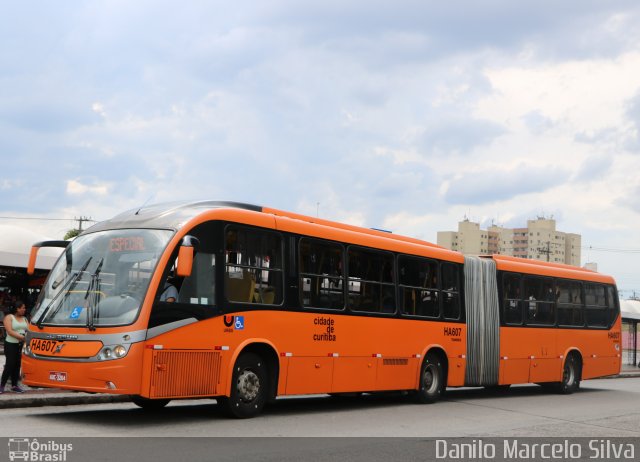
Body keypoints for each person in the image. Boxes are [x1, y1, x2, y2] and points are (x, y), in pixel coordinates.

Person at [1, 300, 28, 393]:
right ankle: (2, 385)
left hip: (20, 345)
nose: (24, 309)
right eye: (23, 308)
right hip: (10, 344)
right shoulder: (9, 317)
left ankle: (14, 385)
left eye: (24, 308)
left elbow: (28, 329)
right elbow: (9, 331)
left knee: (17, 365)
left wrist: (27, 337)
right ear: (17, 309)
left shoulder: (25, 319)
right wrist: (22, 337)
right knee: (9, 364)